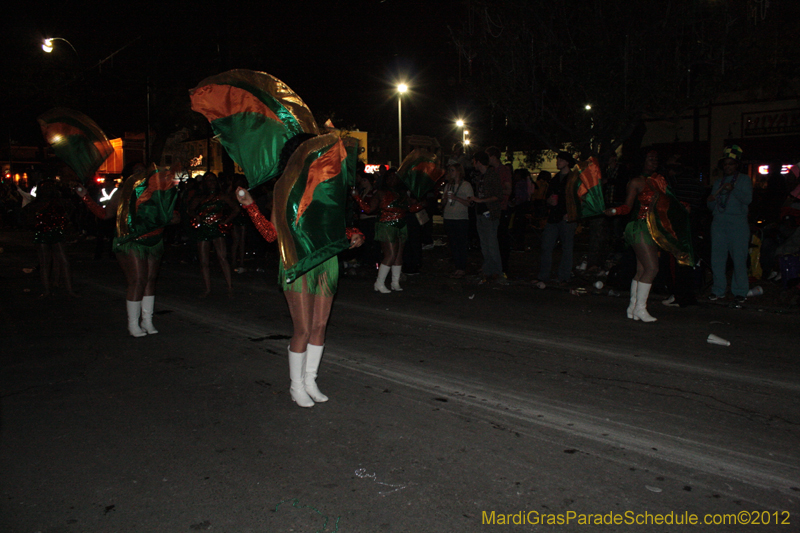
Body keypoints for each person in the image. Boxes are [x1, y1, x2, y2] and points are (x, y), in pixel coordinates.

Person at [235, 187, 364, 408]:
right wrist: (250, 205)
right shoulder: (284, 193)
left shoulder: (327, 190)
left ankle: (310, 381)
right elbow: (270, 234)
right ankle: (296, 386)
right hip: (297, 262)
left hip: (326, 261)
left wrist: (354, 233)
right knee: (303, 329)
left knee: (320, 325)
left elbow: (333, 228)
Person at [76, 163, 178, 336]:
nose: (140, 174)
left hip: (154, 240)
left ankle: (147, 320)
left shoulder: (156, 192)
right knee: (137, 280)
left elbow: (173, 216)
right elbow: (104, 214)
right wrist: (85, 197)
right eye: (136, 171)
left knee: (150, 279)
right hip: (130, 240)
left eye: (143, 171)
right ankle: (132, 323)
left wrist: (167, 216)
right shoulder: (122, 193)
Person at [604, 150, 668, 321]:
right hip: (639, 226)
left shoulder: (659, 181)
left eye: (656, 158)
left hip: (652, 227)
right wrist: (614, 210)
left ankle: (633, 308)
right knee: (652, 268)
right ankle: (640, 308)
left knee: (642, 269)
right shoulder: (636, 182)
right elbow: (627, 206)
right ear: (642, 161)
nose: (654, 160)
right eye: (650, 158)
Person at [707, 145, 752, 303]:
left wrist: (733, 189)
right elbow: (712, 206)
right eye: (725, 164)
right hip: (719, 224)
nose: (728, 167)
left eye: (731, 164)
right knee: (717, 259)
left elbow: (748, 199)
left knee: (739, 259)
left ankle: (740, 291)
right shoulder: (718, 182)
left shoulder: (744, 180)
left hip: (738, 224)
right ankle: (718, 290)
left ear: (737, 165)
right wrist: (710, 201)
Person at [188, 172, 239, 296]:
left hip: (217, 229)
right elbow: (189, 210)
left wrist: (225, 221)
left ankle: (230, 286)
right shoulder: (199, 197)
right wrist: (196, 217)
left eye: (213, 180)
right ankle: (208, 288)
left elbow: (236, 209)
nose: (211, 182)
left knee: (222, 258)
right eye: (208, 180)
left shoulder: (222, 196)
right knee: (204, 261)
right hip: (203, 229)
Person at [24, 179, 77, 297]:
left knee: (61, 261)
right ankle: (49, 290)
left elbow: (70, 209)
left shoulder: (57, 202)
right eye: (45, 188)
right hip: (44, 232)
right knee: (46, 263)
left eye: (49, 188)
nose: (47, 190)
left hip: (54, 232)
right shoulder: (38, 204)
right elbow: (29, 219)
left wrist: (62, 221)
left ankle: (66, 290)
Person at [535, 151, 579, 286]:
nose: (558, 162)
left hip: (567, 217)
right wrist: (549, 201)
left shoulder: (574, 178)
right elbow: (548, 196)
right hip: (554, 216)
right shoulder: (555, 179)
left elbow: (579, 199)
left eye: (561, 160)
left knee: (567, 247)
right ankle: (544, 275)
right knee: (546, 246)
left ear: (567, 162)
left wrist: (572, 213)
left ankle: (563, 276)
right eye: (558, 159)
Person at [363, 168, 408, 293]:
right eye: (389, 177)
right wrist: (357, 198)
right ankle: (379, 282)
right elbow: (369, 209)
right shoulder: (380, 193)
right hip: (386, 225)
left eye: (394, 177)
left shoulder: (402, 193)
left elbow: (410, 208)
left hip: (401, 224)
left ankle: (395, 282)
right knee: (391, 254)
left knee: (398, 255)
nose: (391, 179)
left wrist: (421, 203)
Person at [468, 152, 505, 284]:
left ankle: (498, 272)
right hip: (480, 213)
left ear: (478, 162)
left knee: (492, 244)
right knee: (484, 244)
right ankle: (488, 270)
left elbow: (498, 195)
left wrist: (480, 200)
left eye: (474, 161)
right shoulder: (480, 176)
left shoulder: (492, 174)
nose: (473, 164)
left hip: (490, 213)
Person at [442, 163, 474, 278]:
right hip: (449, 217)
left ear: (459, 172)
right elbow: (443, 203)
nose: (450, 173)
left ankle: (462, 268)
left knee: (461, 244)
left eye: (452, 170)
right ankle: (457, 267)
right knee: (453, 244)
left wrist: (456, 198)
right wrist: (445, 199)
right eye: (449, 170)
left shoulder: (466, 185)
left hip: (461, 218)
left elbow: (470, 203)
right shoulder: (448, 186)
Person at [486, 147, 513, 275]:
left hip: (501, 208)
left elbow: (508, 190)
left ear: (493, 157)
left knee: (501, 238)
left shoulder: (503, 171)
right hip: (493, 208)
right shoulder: (491, 171)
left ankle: (503, 266)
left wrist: (495, 192)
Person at [229, 174, 250, 274]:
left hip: (242, 217)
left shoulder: (241, 192)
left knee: (240, 241)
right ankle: (235, 261)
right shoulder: (232, 193)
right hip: (236, 217)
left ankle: (240, 262)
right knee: (237, 241)